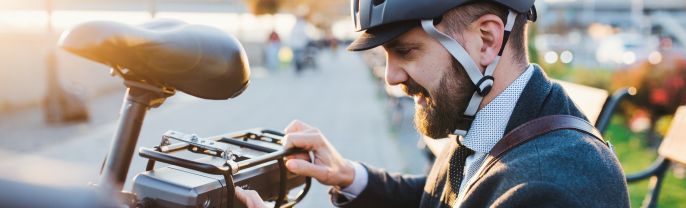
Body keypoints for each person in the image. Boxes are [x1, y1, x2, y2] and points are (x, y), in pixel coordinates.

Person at [238, 0, 630, 207]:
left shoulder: (555, 188)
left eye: (406, 51)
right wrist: (349, 175)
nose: (391, 77)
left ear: (486, 41)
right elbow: (444, 197)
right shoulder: (490, 124)